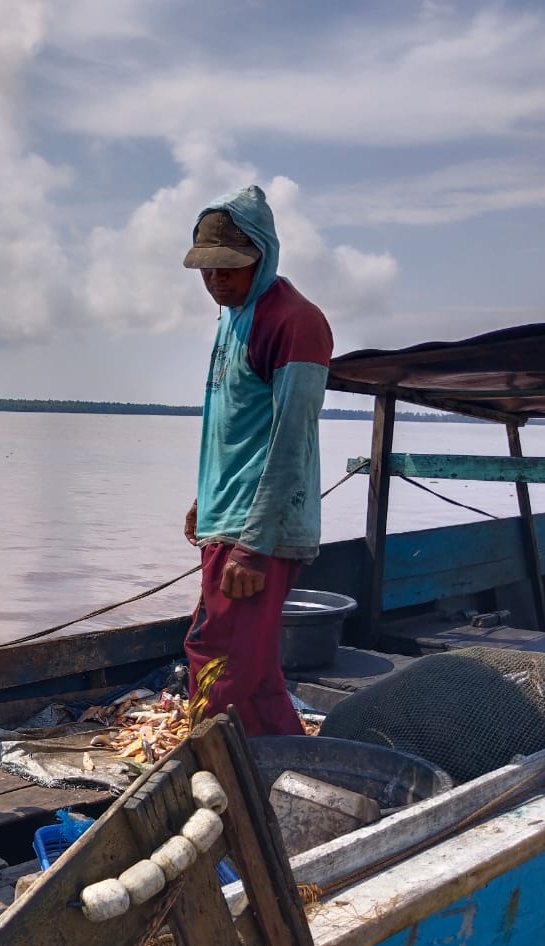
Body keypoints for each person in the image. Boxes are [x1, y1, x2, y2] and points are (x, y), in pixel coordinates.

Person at [180, 185, 333, 737]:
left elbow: (291, 444)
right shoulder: (232, 318)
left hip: (256, 536)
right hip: (230, 523)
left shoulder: (294, 321)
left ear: (263, 254)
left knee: (216, 661)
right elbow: (234, 429)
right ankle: (291, 768)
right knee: (258, 675)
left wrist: (252, 546)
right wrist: (206, 502)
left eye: (230, 267)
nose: (217, 280)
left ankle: (205, 777)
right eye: (208, 269)